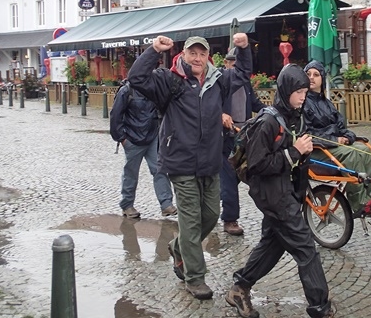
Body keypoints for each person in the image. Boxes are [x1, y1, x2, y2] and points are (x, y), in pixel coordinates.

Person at [128, 34, 251, 300]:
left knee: (210, 214)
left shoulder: (218, 81)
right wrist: (153, 50)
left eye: (202, 54)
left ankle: (178, 247)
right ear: (183, 54)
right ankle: (195, 278)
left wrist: (243, 48)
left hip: (210, 161)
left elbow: (242, 73)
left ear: (209, 56)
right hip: (180, 162)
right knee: (191, 221)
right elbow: (136, 78)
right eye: (192, 53)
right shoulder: (169, 80)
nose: (197, 58)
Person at [226, 64, 335, 318]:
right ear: (285, 90)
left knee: (272, 245)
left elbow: (295, 154)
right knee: (306, 248)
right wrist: (294, 151)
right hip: (272, 195)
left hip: (284, 191)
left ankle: (239, 287)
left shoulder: (295, 116)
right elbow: (258, 165)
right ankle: (320, 308)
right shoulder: (268, 122)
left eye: (305, 92)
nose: (303, 96)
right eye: (298, 91)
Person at [303, 60, 371, 217]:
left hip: (332, 148)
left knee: (365, 150)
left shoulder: (328, 104)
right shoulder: (302, 102)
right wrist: (334, 139)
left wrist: (348, 136)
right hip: (316, 151)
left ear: (322, 79)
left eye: (316, 75)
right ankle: (360, 203)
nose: (311, 77)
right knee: (352, 154)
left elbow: (342, 127)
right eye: (308, 74)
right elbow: (306, 133)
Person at [110, 81, 176, 219]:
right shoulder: (126, 91)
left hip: (152, 137)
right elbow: (115, 115)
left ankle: (166, 205)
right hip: (133, 139)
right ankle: (127, 205)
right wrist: (122, 138)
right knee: (131, 173)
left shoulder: (154, 89)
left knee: (159, 169)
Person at [220, 52, 266, 236]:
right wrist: (220, 116)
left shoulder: (245, 83)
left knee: (248, 173)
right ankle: (230, 219)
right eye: (233, 64)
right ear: (226, 63)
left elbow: (255, 104)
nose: (236, 69)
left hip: (244, 137)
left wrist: (270, 111)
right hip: (225, 137)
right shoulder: (221, 81)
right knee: (229, 179)